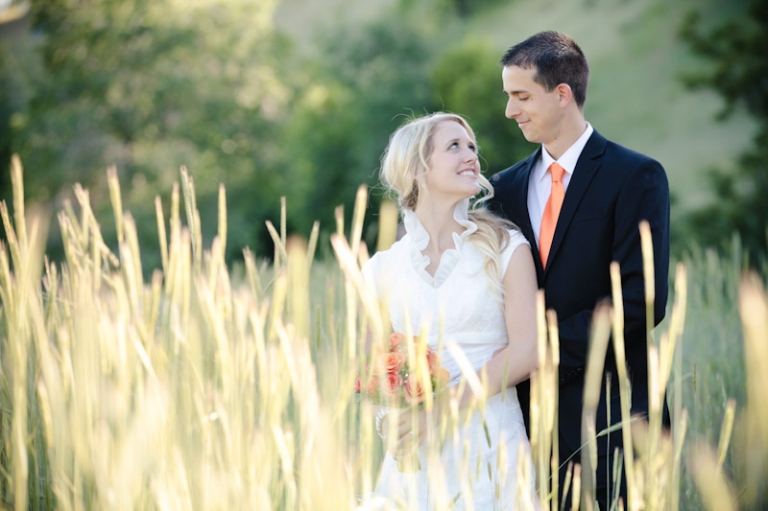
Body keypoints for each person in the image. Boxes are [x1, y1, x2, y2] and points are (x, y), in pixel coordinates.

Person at [488, 31, 671, 509]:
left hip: (613, 418)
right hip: (521, 425)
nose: (509, 110)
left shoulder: (635, 176)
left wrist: (537, 349)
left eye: (521, 96)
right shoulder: (502, 189)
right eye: (508, 96)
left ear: (562, 94)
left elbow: (642, 300)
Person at [362, 112, 540, 509]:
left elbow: (527, 351)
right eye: (454, 146)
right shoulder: (381, 269)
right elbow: (373, 366)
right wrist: (390, 423)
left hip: (491, 441)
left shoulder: (505, 247)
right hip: (417, 453)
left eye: (472, 147)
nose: (471, 156)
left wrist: (442, 409)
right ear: (416, 168)